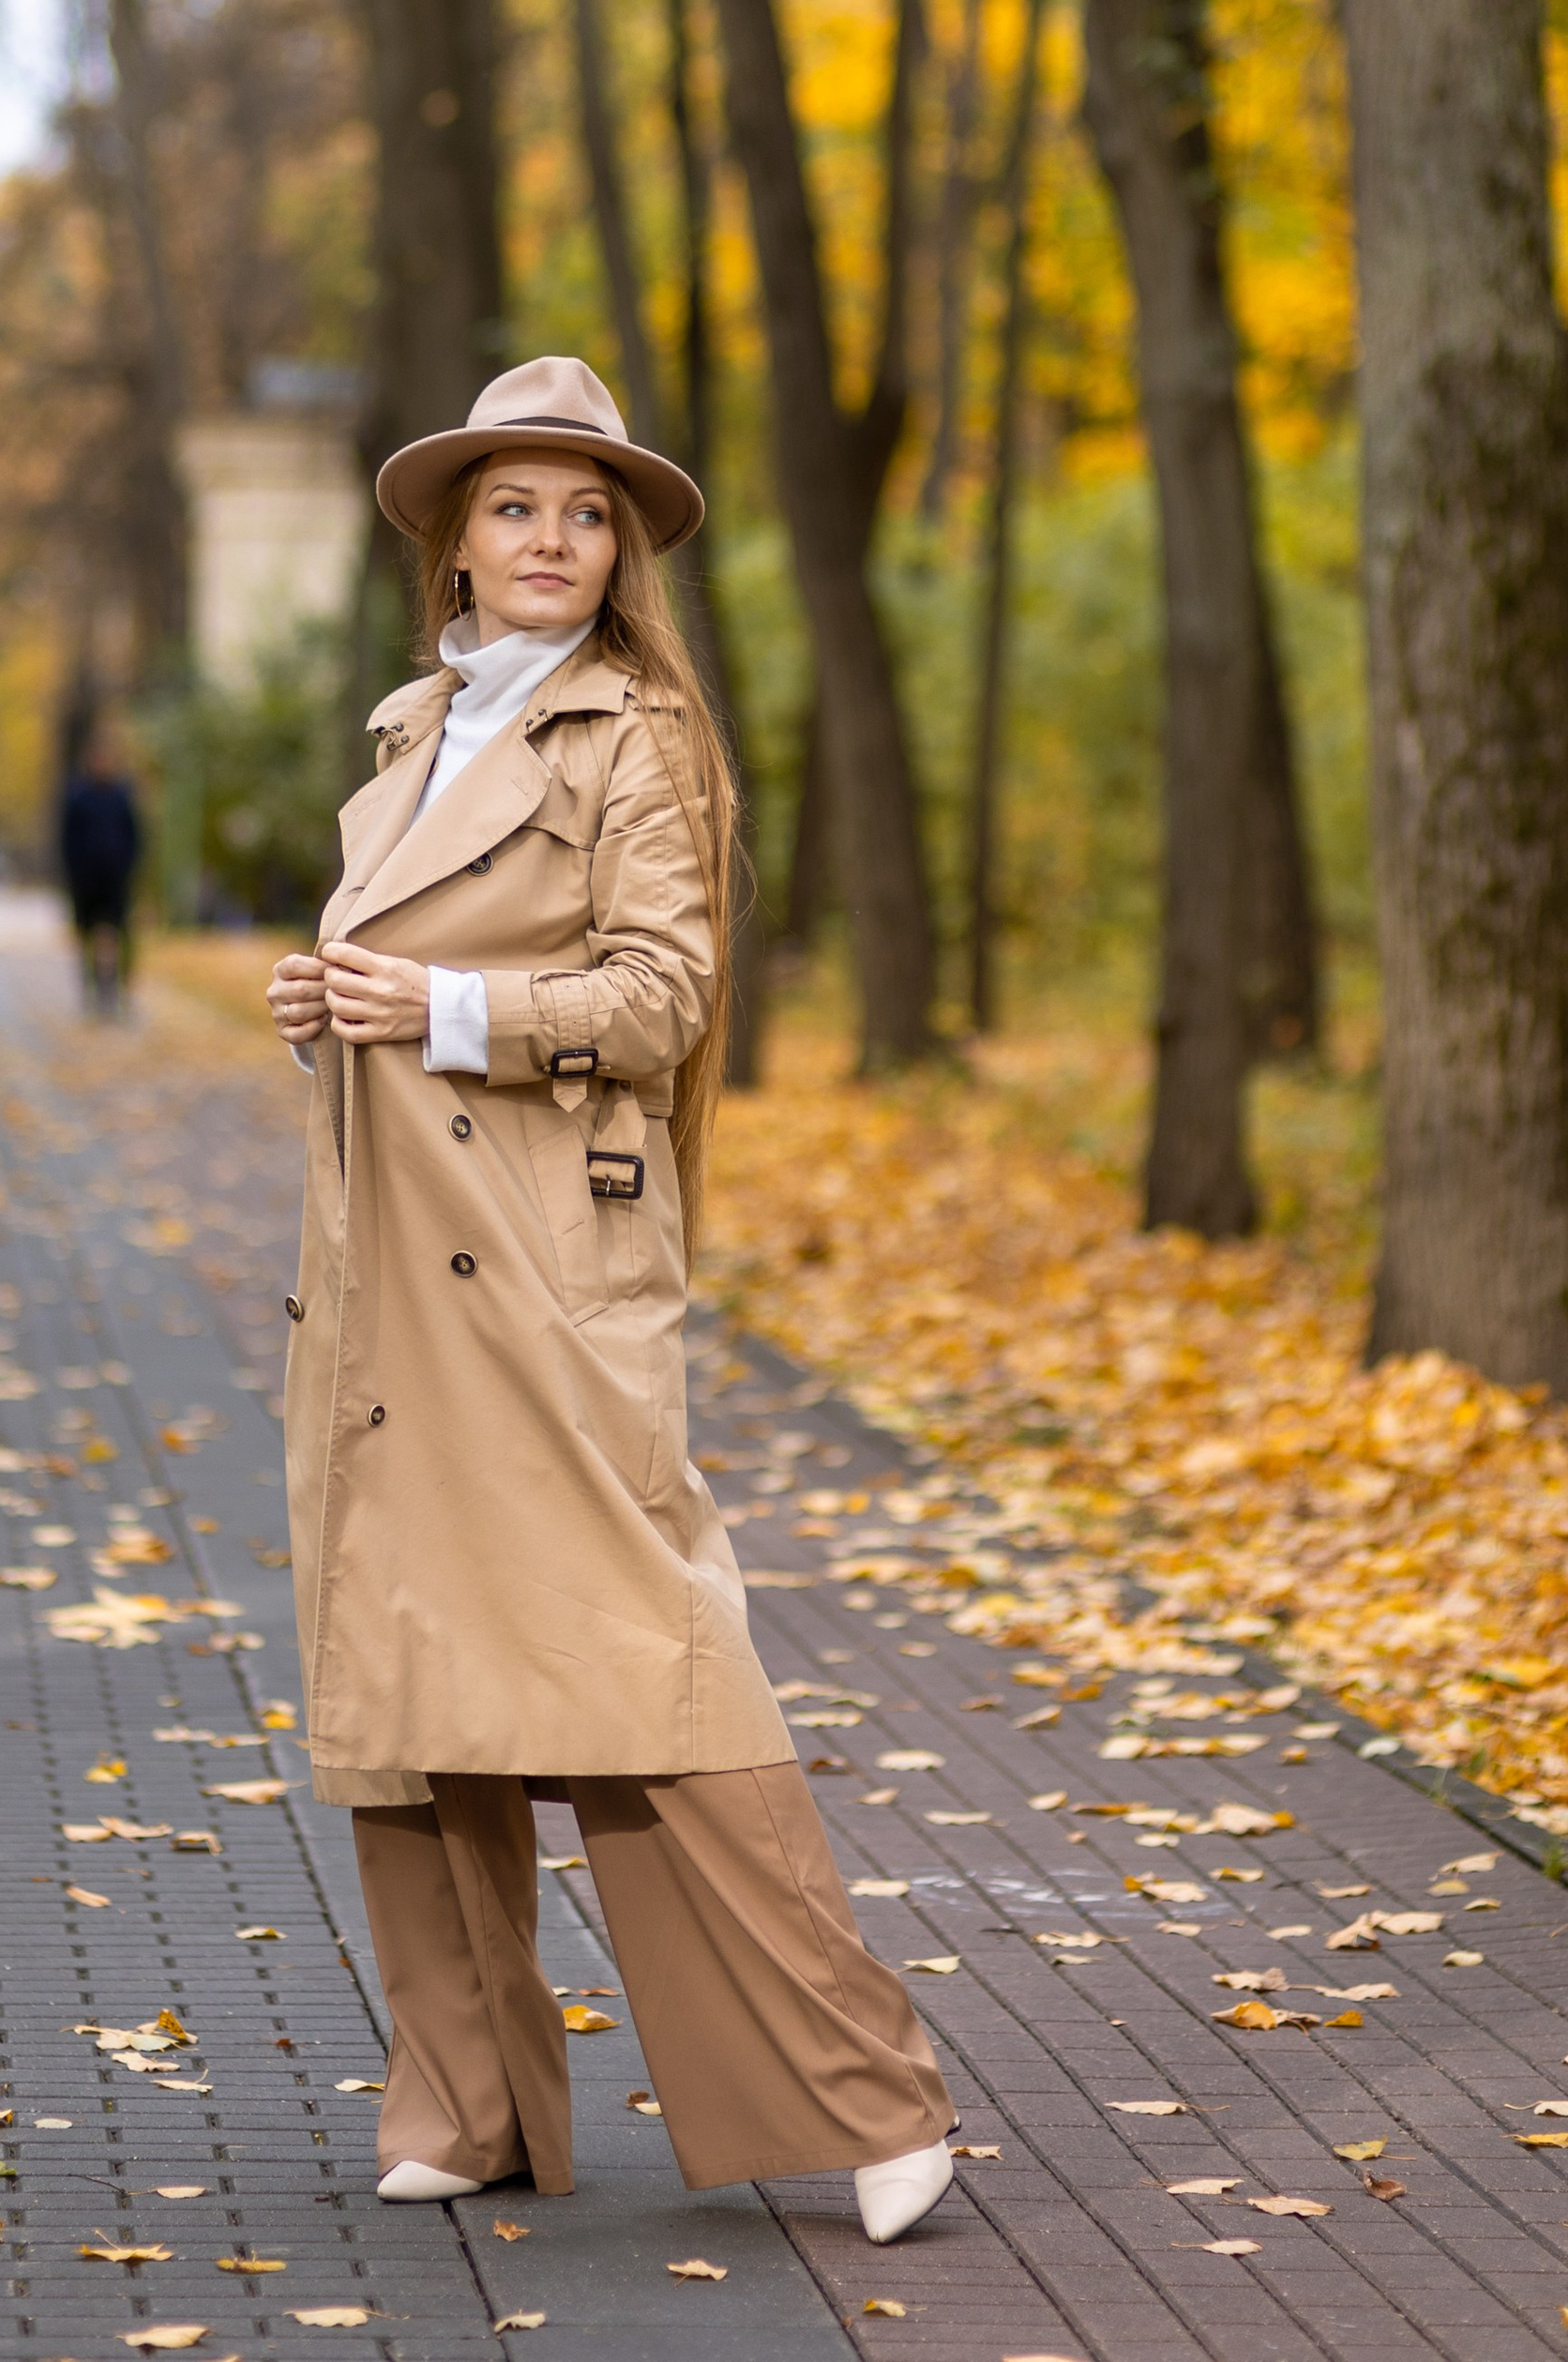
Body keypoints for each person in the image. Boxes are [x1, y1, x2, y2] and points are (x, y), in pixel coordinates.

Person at [265, 356, 956, 2244]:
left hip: (551, 1269)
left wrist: (437, 1010)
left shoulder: (633, 736)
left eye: (583, 512)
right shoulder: (417, 729)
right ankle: (465, 2102)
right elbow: (410, 954)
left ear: (619, 551)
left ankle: (865, 2099)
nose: (547, 539)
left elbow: (662, 1001)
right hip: (390, 1256)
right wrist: (335, 1001)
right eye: (513, 508)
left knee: (646, 1669)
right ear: (455, 546)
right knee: (405, 1668)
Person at [59, 727, 141, 1015]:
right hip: (86, 882)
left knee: (121, 936)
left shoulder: (121, 795)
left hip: (116, 880)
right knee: (87, 937)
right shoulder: (78, 796)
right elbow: (67, 839)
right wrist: (74, 873)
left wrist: (128, 867)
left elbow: (135, 835)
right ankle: (92, 991)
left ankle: (120, 991)